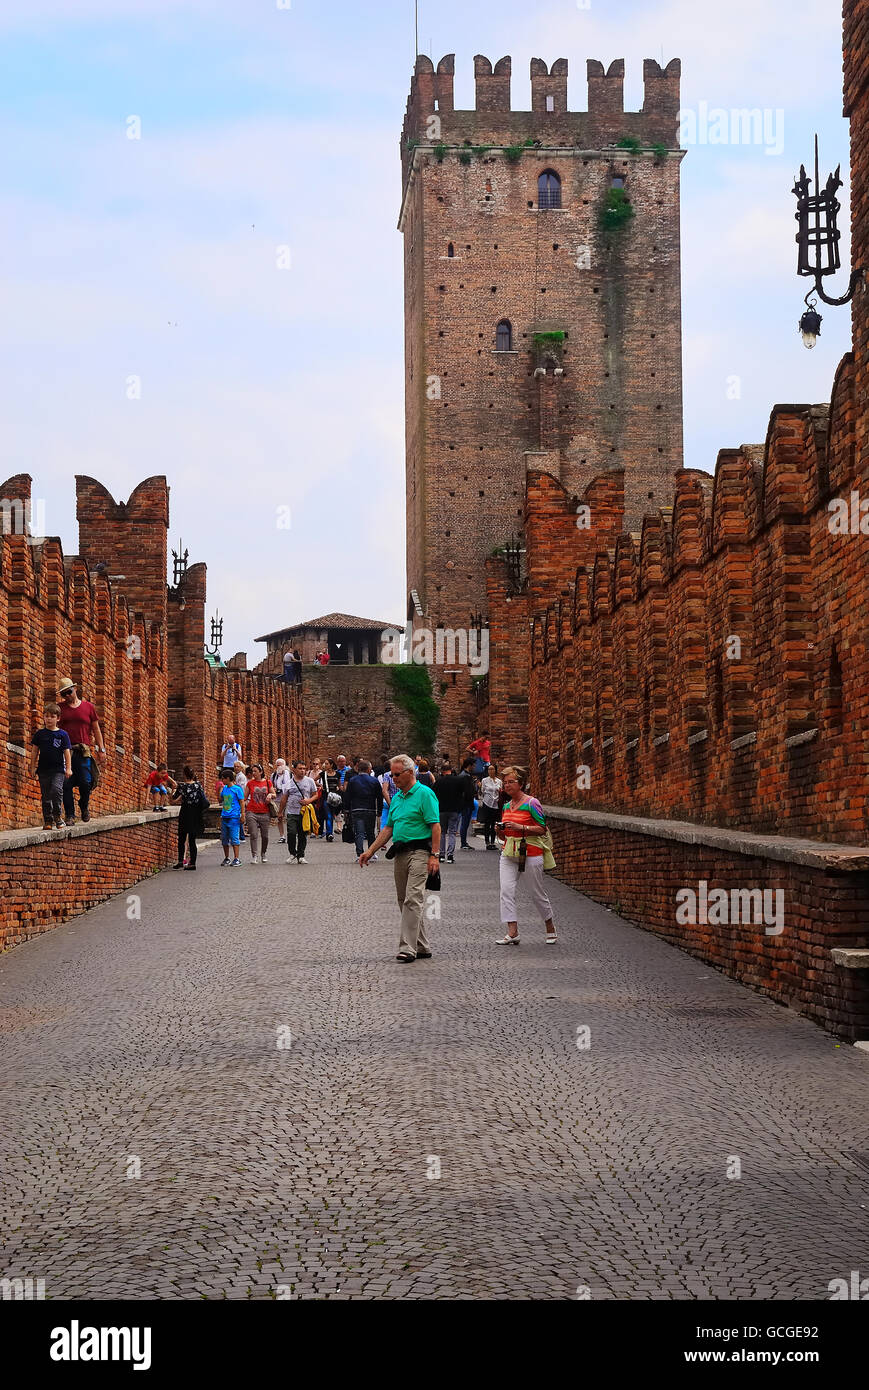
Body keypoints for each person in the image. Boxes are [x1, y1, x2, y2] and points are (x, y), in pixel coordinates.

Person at [359, 754, 441, 963]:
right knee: (403, 900)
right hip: (401, 853)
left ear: (409, 772)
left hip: (421, 852)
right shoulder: (397, 798)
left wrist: (435, 855)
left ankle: (407, 948)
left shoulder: (425, 794)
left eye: (396, 774)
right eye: (391, 774)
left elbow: (435, 826)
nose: (392, 778)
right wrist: (370, 850)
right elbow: (389, 828)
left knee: (413, 898)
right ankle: (422, 945)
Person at [494, 765, 558, 945]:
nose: (507, 785)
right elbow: (505, 835)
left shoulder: (532, 803)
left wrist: (521, 828)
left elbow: (542, 829)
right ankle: (512, 932)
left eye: (511, 782)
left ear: (521, 784)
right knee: (506, 891)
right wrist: (499, 830)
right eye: (505, 782)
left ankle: (550, 926)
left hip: (531, 852)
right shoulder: (507, 805)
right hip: (509, 852)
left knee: (536, 893)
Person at [57, 677, 106, 824]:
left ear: (75, 689)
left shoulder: (88, 707)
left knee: (86, 782)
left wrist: (101, 749)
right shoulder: (60, 708)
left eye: (69, 692)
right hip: (66, 751)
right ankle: (70, 815)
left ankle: (84, 806)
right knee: (66, 784)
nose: (67, 696)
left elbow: (96, 728)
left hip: (83, 750)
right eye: (63, 694)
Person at [30, 703, 72, 829]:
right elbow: (34, 751)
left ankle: (58, 817)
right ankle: (48, 820)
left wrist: (68, 768)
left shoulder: (62, 735)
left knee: (56, 790)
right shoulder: (40, 734)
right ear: (43, 717)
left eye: (52, 716)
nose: (49, 719)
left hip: (58, 770)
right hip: (43, 770)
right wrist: (32, 767)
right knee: (46, 795)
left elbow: (67, 752)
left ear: (58, 718)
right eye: (46, 716)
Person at [278, 759, 317, 864]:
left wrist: (308, 800)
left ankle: (301, 855)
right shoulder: (289, 783)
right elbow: (284, 798)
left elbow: (315, 794)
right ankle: (292, 853)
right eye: (300, 768)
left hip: (304, 812)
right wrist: (280, 812)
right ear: (294, 769)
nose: (302, 771)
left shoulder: (310, 781)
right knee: (291, 833)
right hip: (291, 812)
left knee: (302, 834)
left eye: (304, 769)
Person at [171, 766, 206, 870]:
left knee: (181, 838)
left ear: (184, 775)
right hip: (195, 813)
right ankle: (193, 862)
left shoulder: (183, 787)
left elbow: (173, 800)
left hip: (185, 812)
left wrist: (173, 790)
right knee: (192, 839)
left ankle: (181, 861)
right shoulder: (198, 785)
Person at [348, 759, 384, 859]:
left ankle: (359, 854)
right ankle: (371, 853)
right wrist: (379, 810)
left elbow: (348, 796)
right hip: (370, 809)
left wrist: (347, 809)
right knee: (370, 832)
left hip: (356, 809)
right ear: (368, 769)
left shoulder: (353, 780)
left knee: (359, 833)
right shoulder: (374, 781)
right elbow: (379, 797)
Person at [433, 763, 464, 864]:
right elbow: (461, 795)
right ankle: (450, 855)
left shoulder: (438, 782)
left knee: (442, 832)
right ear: (451, 770)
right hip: (454, 809)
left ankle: (441, 855)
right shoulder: (458, 781)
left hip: (441, 809)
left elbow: (434, 796)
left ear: (442, 771)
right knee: (452, 832)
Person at [244, 763, 272, 864]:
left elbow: (274, 794)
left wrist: (270, 795)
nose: (253, 773)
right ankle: (254, 855)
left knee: (265, 836)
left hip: (265, 812)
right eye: (252, 771)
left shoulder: (268, 782)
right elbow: (244, 797)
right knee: (253, 834)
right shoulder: (250, 783)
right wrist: (243, 808)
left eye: (255, 771)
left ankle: (263, 853)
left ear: (261, 772)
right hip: (251, 812)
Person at [219, 769, 245, 867]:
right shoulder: (225, 788)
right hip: (225, 816)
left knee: (234, 838)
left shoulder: (237, 789)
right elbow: (220, 798)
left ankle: (236, 858)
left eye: (223, 778)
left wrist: (242, 814)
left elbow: (242, 802)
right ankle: (227, 857)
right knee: (224, 839)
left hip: (234, 816)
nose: (222, 780)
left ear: (228, 778)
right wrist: (221, 789)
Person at [479, 763, 503, 849]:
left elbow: (500, 792)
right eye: (489, 769)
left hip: (495, 804)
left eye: (492, 769)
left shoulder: (499, 781)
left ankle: (493, 842)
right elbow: (482, 791)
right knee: (487, 823)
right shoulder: (484, 780)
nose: (490, 771)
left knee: (494, 824)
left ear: (495, 770)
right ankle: (487, 842)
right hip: (487, 803)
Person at [457, 757, 477, 850]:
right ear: (470, 765)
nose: (475, 766)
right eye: (473, 765)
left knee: (464, 823)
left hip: (465, 802)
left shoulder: (463, 775)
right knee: (464, 823)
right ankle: (463, 843)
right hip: (466, 803)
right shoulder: (465, 776)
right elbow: (468, 791)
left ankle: (464, 842)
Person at [271, 758, 288, 842]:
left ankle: (291, 834)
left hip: (288, 798)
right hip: (278, 798)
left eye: (280, 765)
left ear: (284, 765)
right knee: (279, 817)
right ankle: (282, 836)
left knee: (289, 817)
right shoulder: (274, 775)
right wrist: (273, 789)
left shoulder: (288, 774)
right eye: (277, 765)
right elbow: (270, 786)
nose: (279, 767)